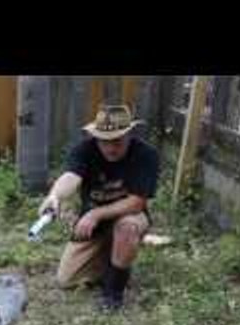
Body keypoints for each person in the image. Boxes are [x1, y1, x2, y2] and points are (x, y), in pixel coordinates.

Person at [39, 104, 160, 309]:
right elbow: (71, 176)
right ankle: (113, 258)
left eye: (117, 141)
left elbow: (137, 202)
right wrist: (55, 196)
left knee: (127, 228)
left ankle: (114, 292)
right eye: (104, 142)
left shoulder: (146, 154)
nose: (111, 148)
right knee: (66, 280)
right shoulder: (84, 150)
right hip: (93, 223)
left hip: (130, 215)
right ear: (96, 136)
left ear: (130, 134)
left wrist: (95, 213)